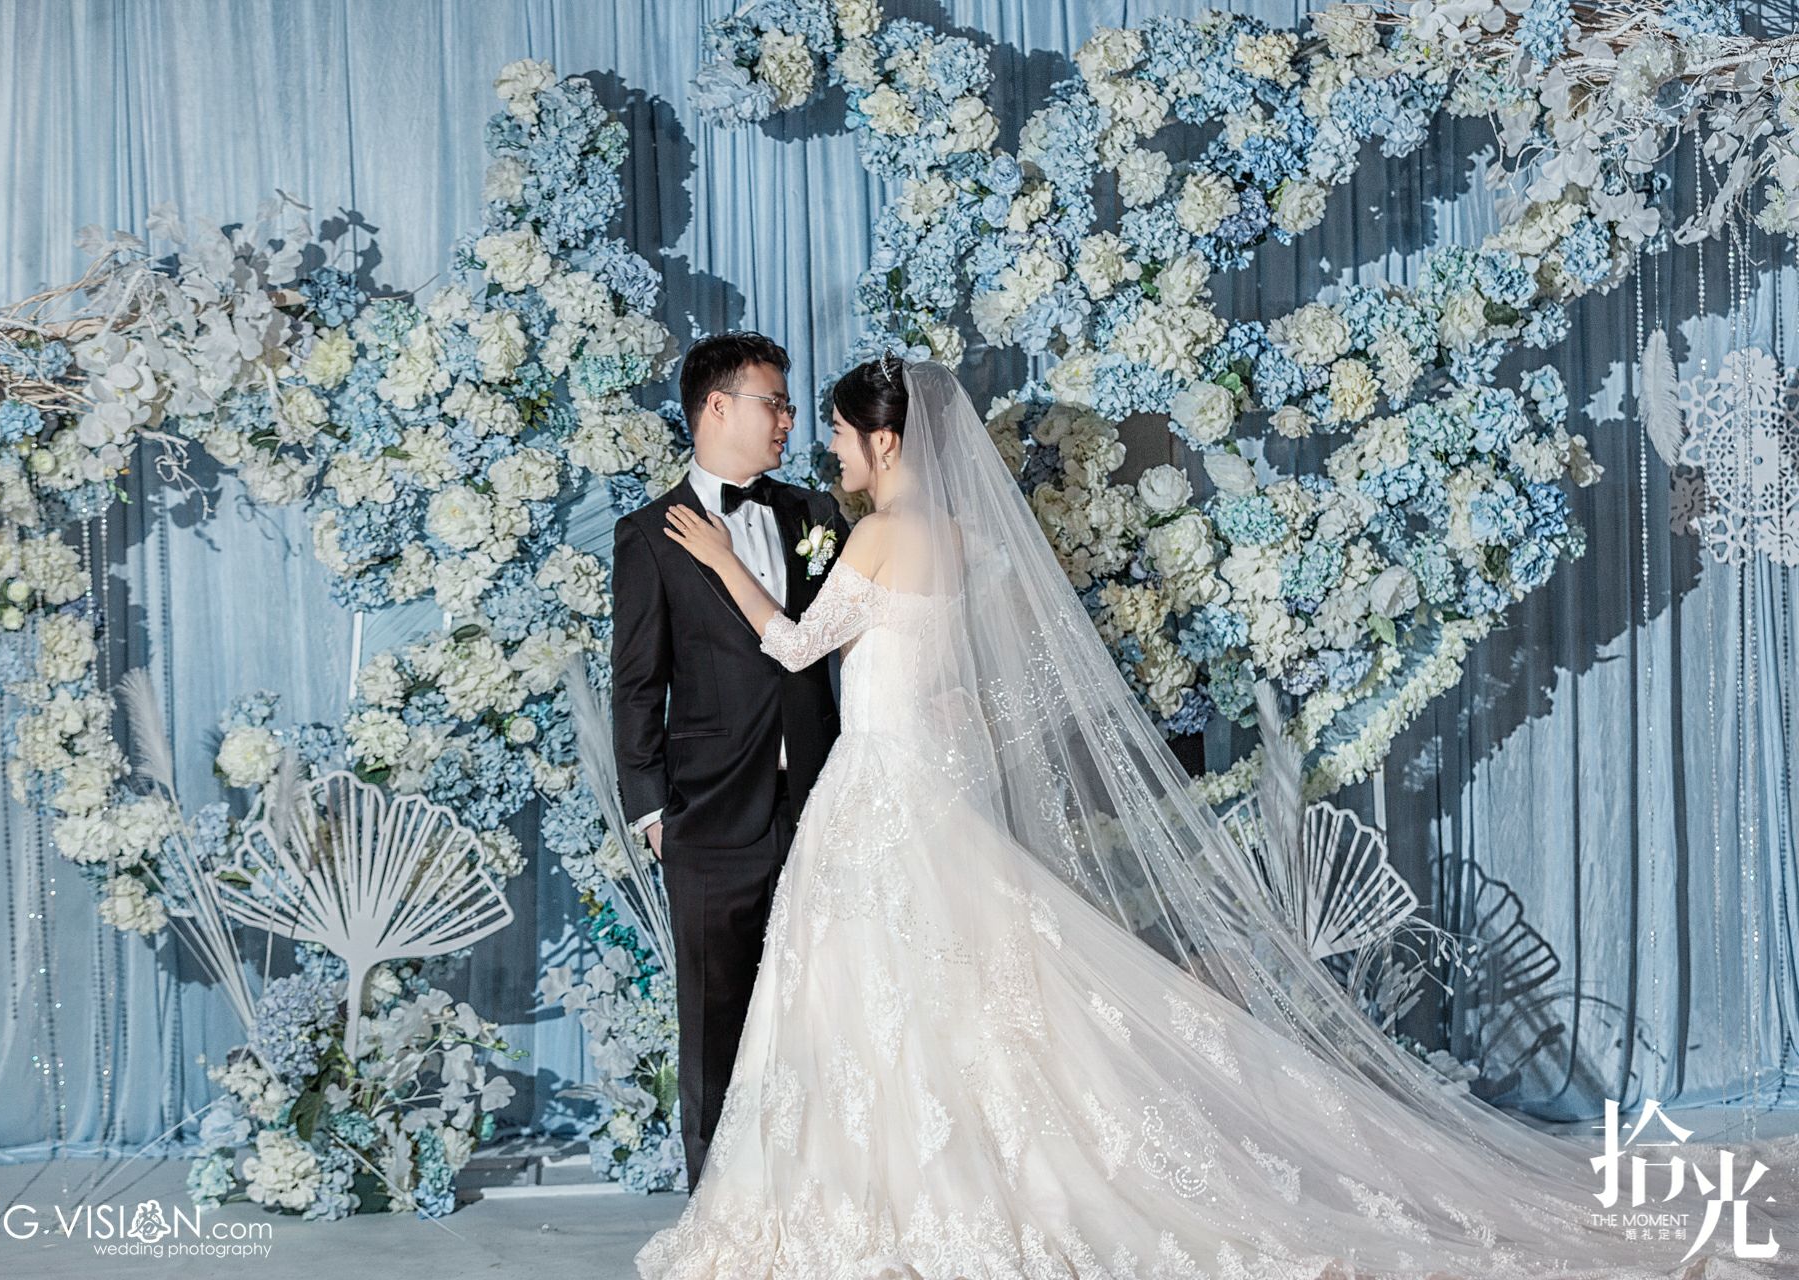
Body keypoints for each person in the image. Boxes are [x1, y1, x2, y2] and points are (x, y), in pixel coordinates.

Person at [634, 356, 1798, 1278]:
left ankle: (897, 1186)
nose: (828, 446)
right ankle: (944, 1175)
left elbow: (795, 645)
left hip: (881, 792)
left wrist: (724, 564)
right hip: (932, 786)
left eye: (839, 430)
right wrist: (943, 703)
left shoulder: (880, 531)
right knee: (967, 996)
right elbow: (1003, 682)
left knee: (886, 996)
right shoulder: (970, 539)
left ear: (886, 441)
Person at [609, 331, 851, 1191]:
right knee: (715, 1019)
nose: (789, 419)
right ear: (717, 407)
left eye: (789, 404)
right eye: (773, 403)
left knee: (825, 1013)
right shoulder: (649, 536)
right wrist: (653, 813)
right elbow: (637, 685)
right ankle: (716, 1205)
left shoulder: (815, 515)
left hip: (823, 803)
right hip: (708, 817)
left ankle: (818, 1192)